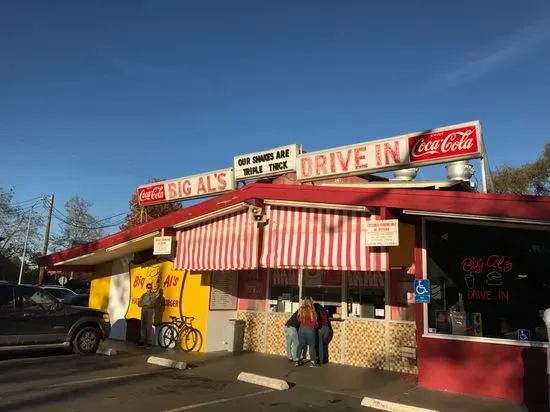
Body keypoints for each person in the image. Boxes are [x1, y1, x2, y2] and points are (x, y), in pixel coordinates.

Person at [295, 297, 320, 367]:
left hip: (301, 329)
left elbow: (298, 319)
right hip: (310, 330)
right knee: (312, 346)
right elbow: (315, 322)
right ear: (311, 302)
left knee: (300, 345)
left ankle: (297, 360)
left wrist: (304, 323)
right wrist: (316, 326)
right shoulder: (312, 310)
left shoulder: (301, 309)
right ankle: (313, 362)